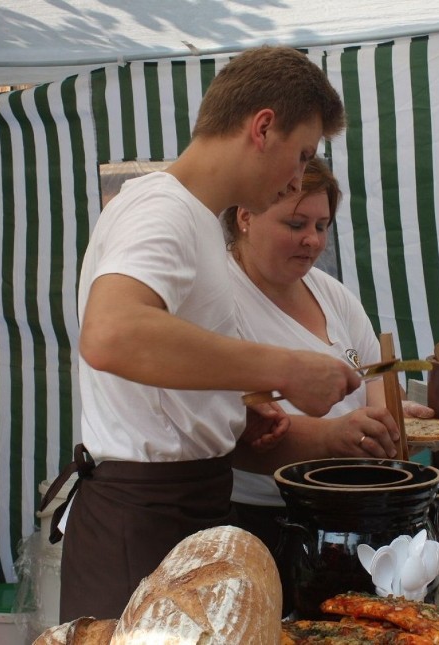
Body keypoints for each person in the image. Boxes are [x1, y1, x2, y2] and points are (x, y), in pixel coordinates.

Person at [47, 45, 363, 622]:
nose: (299, 176)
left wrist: (229, 410)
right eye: (302, 155)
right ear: (262, 127)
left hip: (185, 507)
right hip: (142, 519)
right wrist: (284, 368)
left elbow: (159, 375)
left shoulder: (194, 221)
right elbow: (112, 334)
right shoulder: (160, 209)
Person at [225, 157, 433, 556]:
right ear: (246, 216)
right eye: (296, 224)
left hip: (352, 505)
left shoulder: (329, 291)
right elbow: (234, 430)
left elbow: (378, 374)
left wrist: (386, 418)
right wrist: (334, 437)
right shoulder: (221, 300)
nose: (314, 241)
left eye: (321, 226)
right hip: (263, 521)